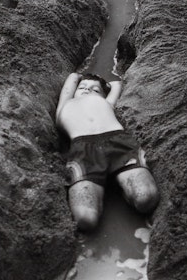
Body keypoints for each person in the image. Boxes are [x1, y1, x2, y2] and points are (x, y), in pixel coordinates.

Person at [55, 72, 160, 232]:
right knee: (86, 219)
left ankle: (119, 187)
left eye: (95, 90)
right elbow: (71, 79)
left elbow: (117, 84)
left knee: (146, 199)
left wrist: (101, 84)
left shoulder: (107, 103)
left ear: (104, 95)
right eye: (82, 87)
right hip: (83, 150)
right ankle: (108, 188)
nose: (87, 90)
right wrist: (83, 78)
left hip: (118, 142)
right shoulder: (65, 104)